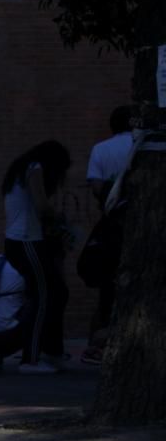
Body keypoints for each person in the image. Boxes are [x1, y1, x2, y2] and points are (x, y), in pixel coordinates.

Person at [1, 140, 72, 374]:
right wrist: (58, 216)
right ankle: (30, 359)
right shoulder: (35, 168)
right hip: (26, 242)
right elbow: (41, 205)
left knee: (55, 293)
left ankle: (52, 352)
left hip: (23, 242)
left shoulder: (22, 168)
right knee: (44, 296)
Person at [81, 106, 135, 365]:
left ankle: (96, 345)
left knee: (107, 290)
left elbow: (97, 187)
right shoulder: (144, 145)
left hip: (112, 224)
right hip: (140, 224)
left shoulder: (101, 149)